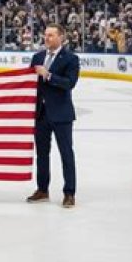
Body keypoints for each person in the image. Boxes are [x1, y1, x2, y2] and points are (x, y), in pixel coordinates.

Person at [27, 23, 80, 208]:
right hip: (41, 114)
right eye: (45, 35)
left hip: (61, 114)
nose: (46, 38)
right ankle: (42, 189)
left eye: (50, 35)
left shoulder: (71, 59)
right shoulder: (37, 57)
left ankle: (69, 193)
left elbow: (69, 83)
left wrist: (48, 75)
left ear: (61, 37)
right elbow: (29, 83)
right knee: (42, 154)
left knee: (66, 154)